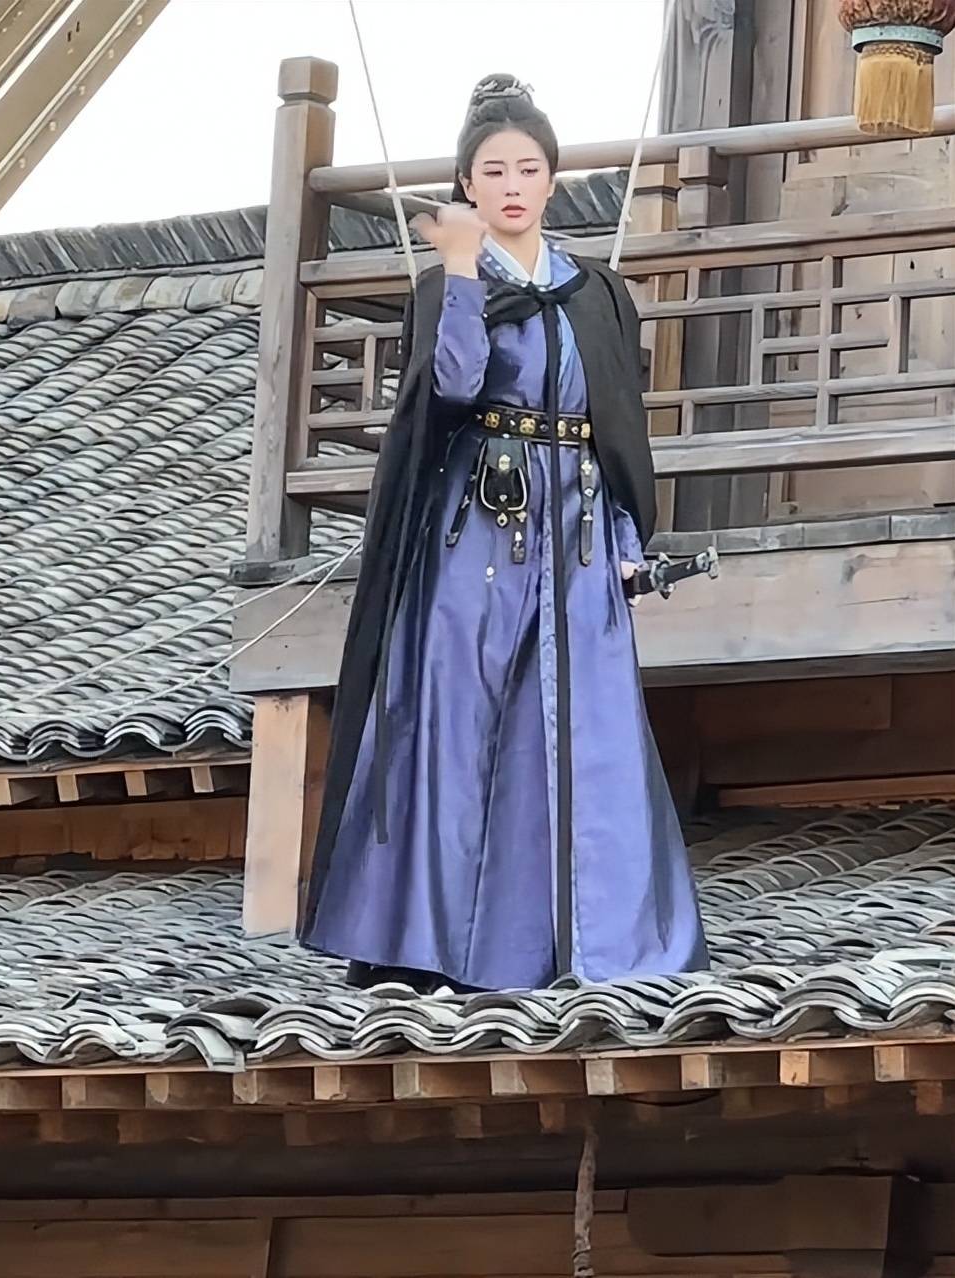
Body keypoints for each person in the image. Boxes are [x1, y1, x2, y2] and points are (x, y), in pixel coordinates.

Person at [300, 75, 708, 993]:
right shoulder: (449, 284)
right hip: (477, 533)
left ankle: (604, 949)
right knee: (459, 722)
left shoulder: (595, 291)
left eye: (528, 168)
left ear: (553, 178)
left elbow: (616, 426)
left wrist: (627, 538)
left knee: (587, 729)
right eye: (493, 171)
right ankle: (445, 949)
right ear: (466, 185)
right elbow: (452, 386)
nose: (513, 185)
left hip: (578, 535)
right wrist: (456, 268)